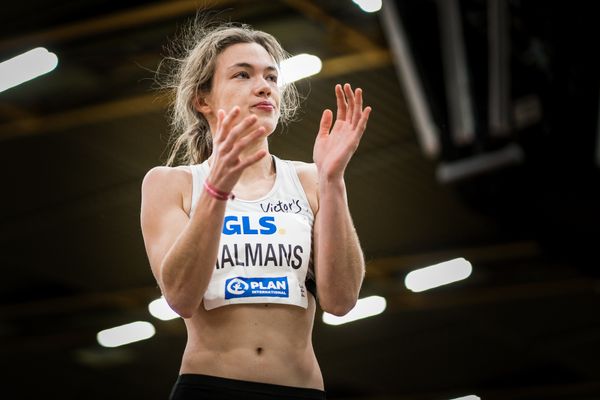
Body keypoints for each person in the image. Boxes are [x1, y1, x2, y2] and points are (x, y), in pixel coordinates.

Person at [140, 20, 371, 400]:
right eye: (242, 75)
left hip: (300, 389)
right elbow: (180, 297)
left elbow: (342, 301)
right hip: (209, 387)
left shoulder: (310, 179)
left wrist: (333, 182)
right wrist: (217, 189)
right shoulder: (171, 184)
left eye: (271, 76)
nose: (264, 86)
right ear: (203, 100)